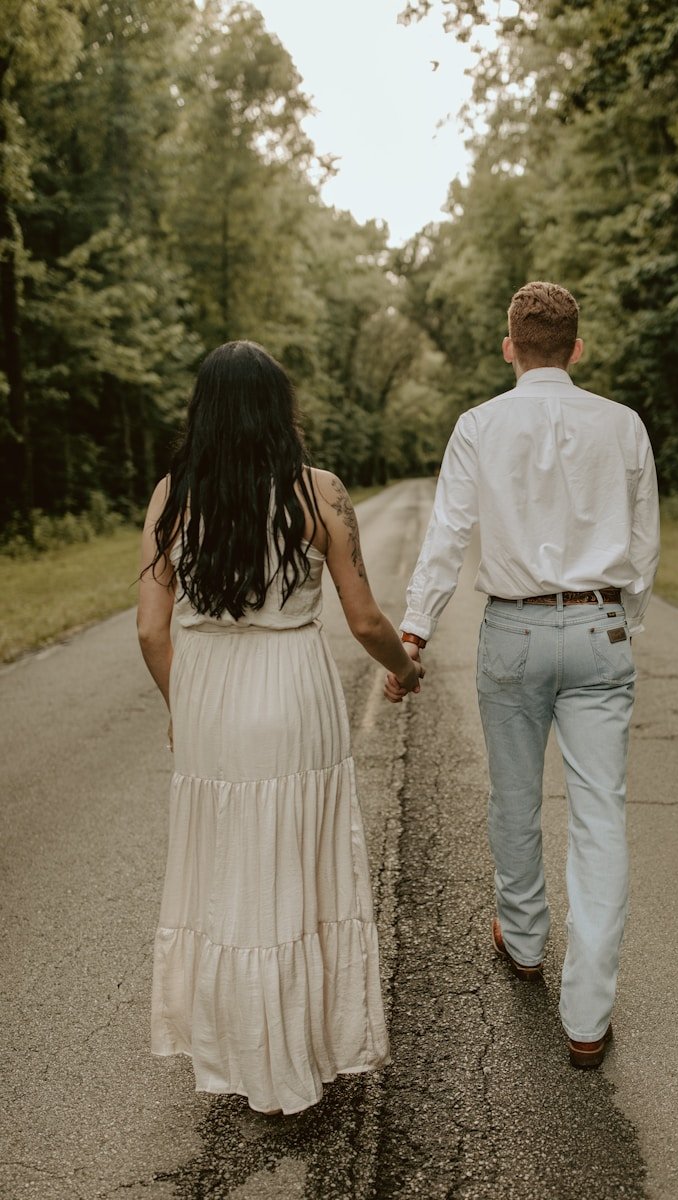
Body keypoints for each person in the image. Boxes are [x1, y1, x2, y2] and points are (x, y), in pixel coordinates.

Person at [137, 340, 422, 1115]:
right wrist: (405, 668)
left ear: (203, 410)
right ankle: (298, 1049)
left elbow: (152, 630)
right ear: (279, 408)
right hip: (294, 688)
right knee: (299, 862)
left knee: (226, 870)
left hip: (209, 695)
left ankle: (237, 1048)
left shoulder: (172, 497)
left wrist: (181, 706)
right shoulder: (319, 492)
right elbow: (366, 620)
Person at [386, 281, 660, 1068]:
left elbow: (447, 533)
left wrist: (416, 629)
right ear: (577, 349)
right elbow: (643, 543)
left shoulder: (480, 425)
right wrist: (623, 622)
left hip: (513, 629)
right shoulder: (622, 424)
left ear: (510, 347)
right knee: (599, 816)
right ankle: (587, 1017)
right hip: (600, 626)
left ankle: (526, 937)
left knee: (514, 796)